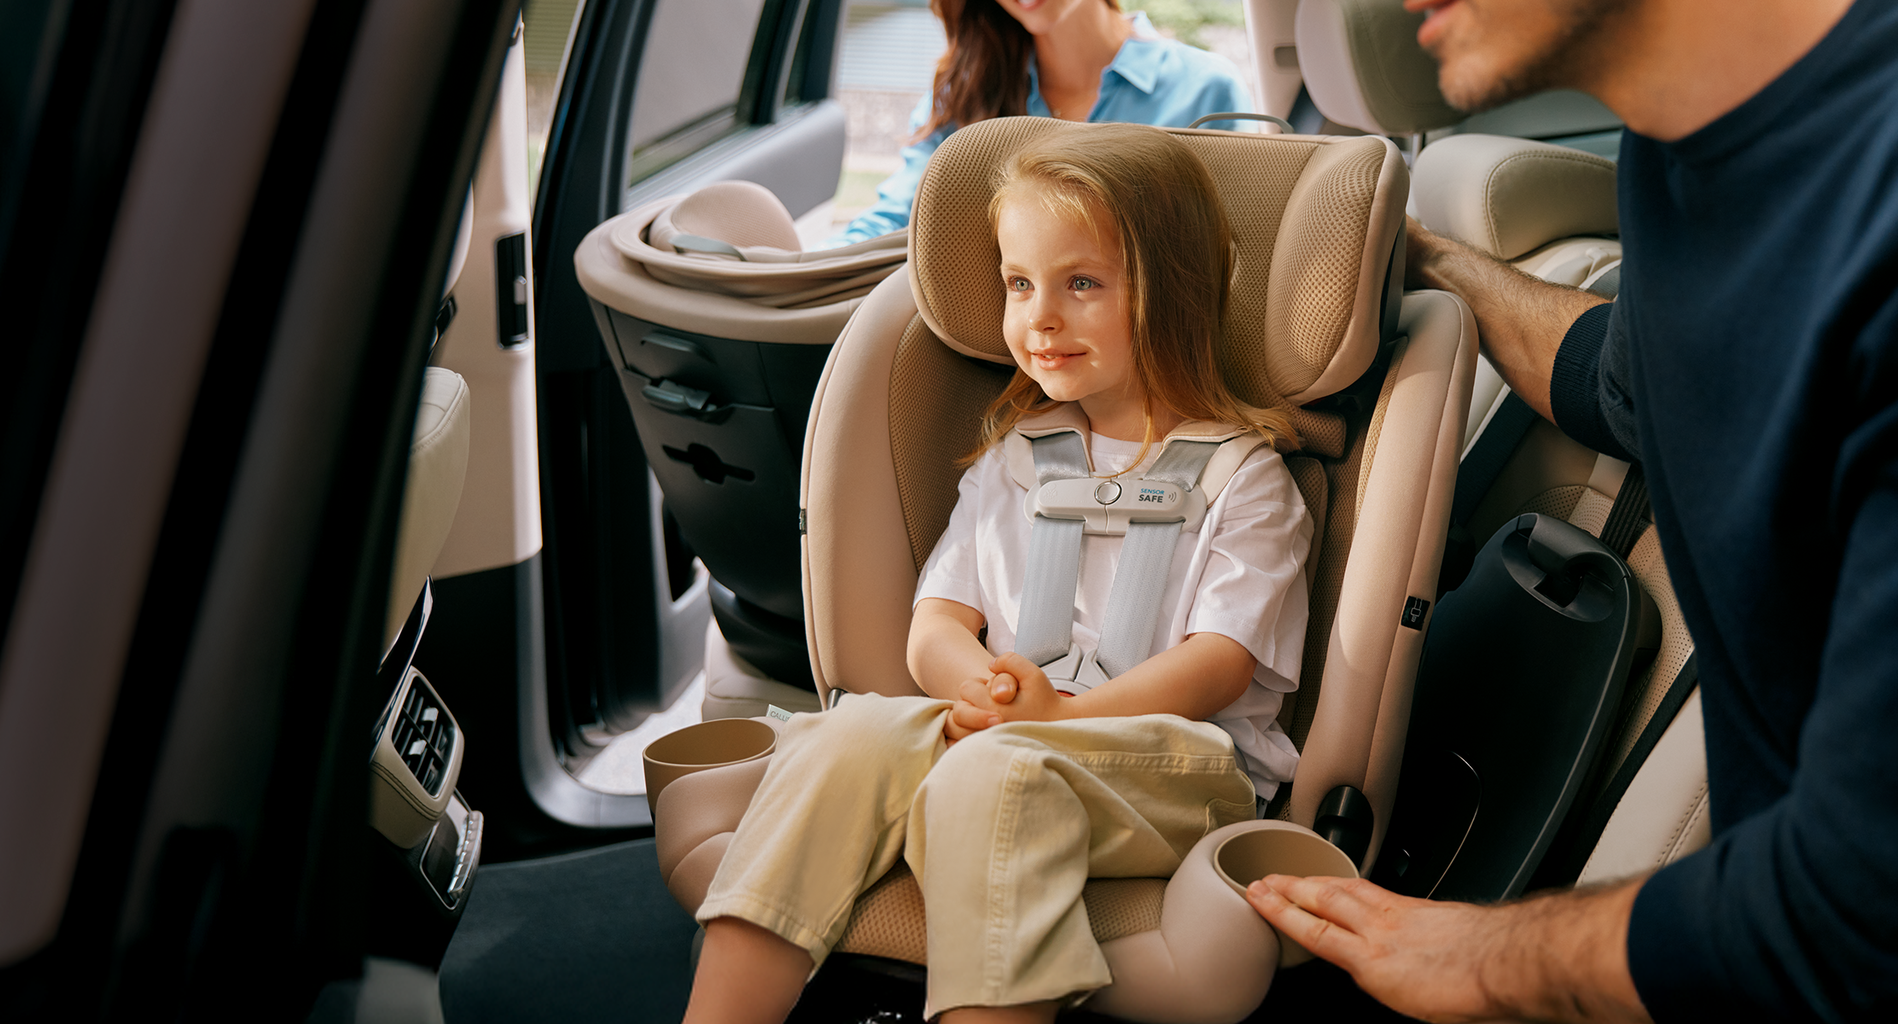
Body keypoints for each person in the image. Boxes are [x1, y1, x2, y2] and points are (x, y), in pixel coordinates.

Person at [1239, 0, 1898, 1021]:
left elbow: (1863, 911)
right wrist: (1432, 260)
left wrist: (1478, 957)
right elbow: (1625, 377)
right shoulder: (1685, 155)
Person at [683, 124, 1312, 1024]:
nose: (1039, 317)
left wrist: (1060, 717)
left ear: (1174, 293)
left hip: (1175, 763)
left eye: (1081, 283)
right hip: (1015, 732)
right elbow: (936, 621)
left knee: (999, 775)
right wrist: (981, 686)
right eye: (1019, 284)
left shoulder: (1245, 481)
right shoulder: (1016, 462)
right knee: (843, 738)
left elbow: (1220, 663)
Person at [830, 0, 1255, 247]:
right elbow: (897, 219)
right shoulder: (967, 93)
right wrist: (796, 277)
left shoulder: (1205, 89)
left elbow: (1233, 259)